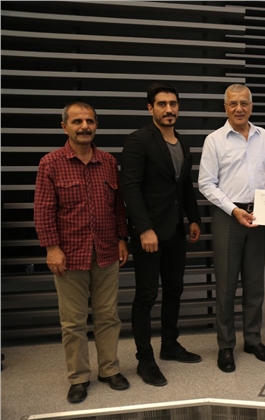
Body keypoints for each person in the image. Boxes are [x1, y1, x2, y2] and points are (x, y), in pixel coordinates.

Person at [34, 101, 130, 403]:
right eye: (77, 121)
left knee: (108, 316)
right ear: (65, 127)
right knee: (73, 323)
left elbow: (117, 206)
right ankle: (78, 378)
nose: (84, 126)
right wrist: (52, 248)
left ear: (96, 125)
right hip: (69, 254)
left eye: (89, 121)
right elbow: (43, 210)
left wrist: (122, 238)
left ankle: (109, 370)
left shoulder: (108, 161)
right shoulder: (50, 163)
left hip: (106, 251)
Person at [120, 83, 202, 387]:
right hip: (149, 234)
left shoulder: (182, 142)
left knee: (174, 289)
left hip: (176, 231)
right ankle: (145, 359)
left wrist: (194, 218)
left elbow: (184, 185)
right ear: (150, 108)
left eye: (173, 104)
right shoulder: (138, 140)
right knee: (146, 296)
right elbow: (130, 187)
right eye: (162, 104)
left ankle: (169, 344)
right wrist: (144, 229)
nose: (169, 109)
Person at [197, 84, 265, 373]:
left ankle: (253, 339)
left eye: (244, 103)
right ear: (225, 107)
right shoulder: (214, 140)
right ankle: (226, 345)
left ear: (251, 106)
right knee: (227, 285)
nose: (239, 108)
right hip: (228, 216)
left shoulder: (263, 136)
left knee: (255, 284)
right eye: (233, 104)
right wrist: (234, 209)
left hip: (258, 216)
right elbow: (206, 184)